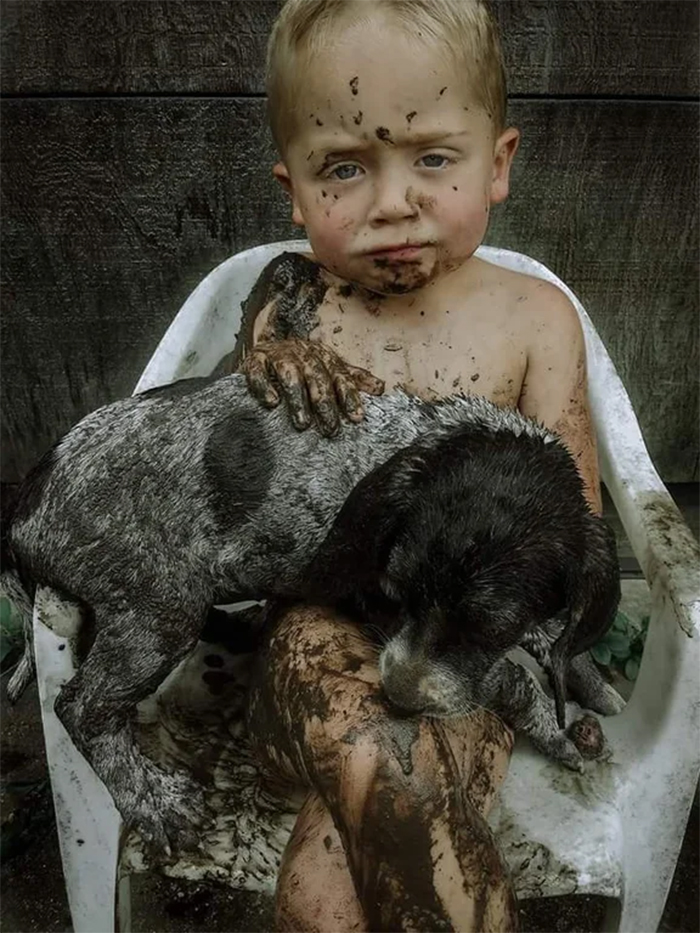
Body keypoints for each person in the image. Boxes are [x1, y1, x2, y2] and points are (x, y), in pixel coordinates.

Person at [234, 1, 603, 929]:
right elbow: (233, 484)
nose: (392, 202)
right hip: (311, 633)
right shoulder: (295, 312)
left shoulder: (536, 320)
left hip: (468, 653)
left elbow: (570, 523)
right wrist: (261, 362)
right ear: (294, 189)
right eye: (345, 168)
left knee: (324, 894)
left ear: (500, 163)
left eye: (433, 158)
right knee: (372, 759)